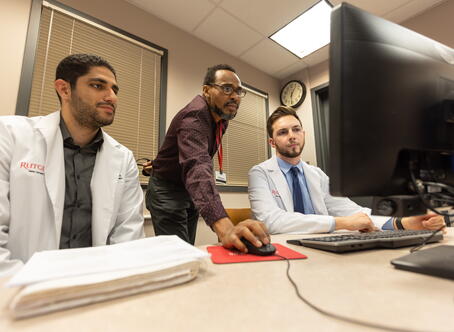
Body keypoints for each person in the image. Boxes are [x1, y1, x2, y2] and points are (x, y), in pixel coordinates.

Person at [0, 54, 144, 276]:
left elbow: (128, 235)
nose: (112, 97)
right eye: (98, 86)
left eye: (115, 90)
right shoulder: (10, 135)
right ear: (64, 89)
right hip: (18, 287)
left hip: (96, 284)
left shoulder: (123, 159)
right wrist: (23, 287)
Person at [248, 106, 446, 234]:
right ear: (272, 142)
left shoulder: (316, 174)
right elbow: (271, 221)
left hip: (322, 246)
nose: (292, 136)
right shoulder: (260, 173)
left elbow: (352, 212)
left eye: (296, 129)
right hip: (286, 251)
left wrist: (401, 222)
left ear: (303, 133)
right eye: (283, 132)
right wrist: (340, 223)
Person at [144, 64, 269, 252]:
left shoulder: (222, 118)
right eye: (227, 88)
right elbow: (197, 167)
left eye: (238, 91)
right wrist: (225, 228)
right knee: (179, 255)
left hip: (187, 189)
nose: (234, 96)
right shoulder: (194, 117)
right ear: (206, 90)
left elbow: (194, 154)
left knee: (190, 249)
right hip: (167, 191)